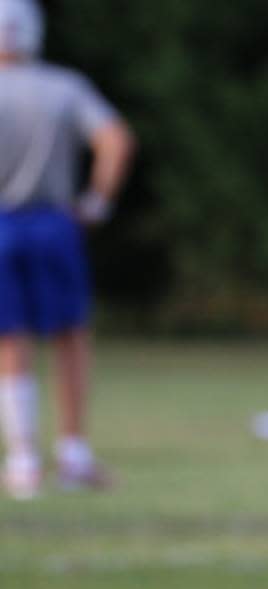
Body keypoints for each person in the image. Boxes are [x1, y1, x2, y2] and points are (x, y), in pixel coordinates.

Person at [0, 0, 135, 499]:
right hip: (55, 222)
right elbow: (115, 139)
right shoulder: (62, 85)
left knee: (9, 339)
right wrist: (96, 203)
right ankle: (73, 453)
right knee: (69, 335)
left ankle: (23, 462)